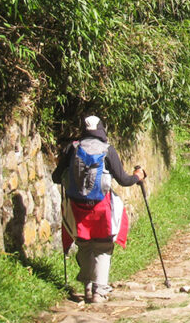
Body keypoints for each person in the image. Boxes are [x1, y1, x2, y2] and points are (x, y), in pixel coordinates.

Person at [52, 115, 146, 303]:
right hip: (101, 207)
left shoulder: (73, 148)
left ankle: (87, 288)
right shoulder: (107, 150)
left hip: (77, 207)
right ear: (101, 130)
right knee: (103, 247)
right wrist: (138, 176)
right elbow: (123, 180)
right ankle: (99, 291)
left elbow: (55, 177)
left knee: (84, 244)